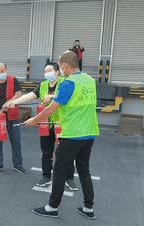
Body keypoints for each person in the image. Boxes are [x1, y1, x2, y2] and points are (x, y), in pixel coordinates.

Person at [26, 51, 99, 220]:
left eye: (60, 67)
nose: (59, 70)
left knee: (58, 170)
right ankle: (89, 208)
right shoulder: (89, 80)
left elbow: (53, 107)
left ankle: (52, 207)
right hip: (89, 132)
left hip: (72, 133)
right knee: (83, 169)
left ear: (65, 65)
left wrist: (35, 120)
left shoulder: (68, 83)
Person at [3, 62, 78, 190]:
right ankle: (46, 176)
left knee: (65, 152)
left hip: (63, 124)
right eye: (45, 71)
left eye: (49, 70)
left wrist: (51, 96)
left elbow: (72, 96)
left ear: (57, 72)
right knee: (46, 152)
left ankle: (69, 178)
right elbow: (30, 96)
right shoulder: (43, 85)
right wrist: (13, 102)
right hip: (45, 124)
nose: (47, 73)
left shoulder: (66, 82)